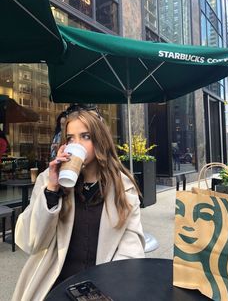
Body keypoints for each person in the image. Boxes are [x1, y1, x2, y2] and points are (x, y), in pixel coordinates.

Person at [12, 105, 145, 301]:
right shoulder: (48, 180)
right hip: (54, 284)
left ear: (100, 140)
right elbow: (31, 242)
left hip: (103, 287)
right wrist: (51, 189)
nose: (77, 144)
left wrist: (108, 288)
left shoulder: (122, 187)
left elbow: (131, 250)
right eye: (70, 138)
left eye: (85, 136)